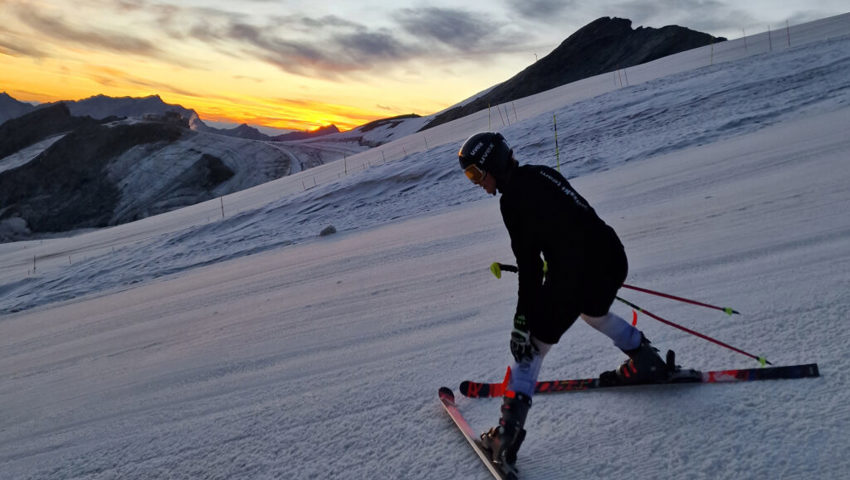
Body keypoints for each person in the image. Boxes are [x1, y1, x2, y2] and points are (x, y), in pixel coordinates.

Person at [457, 132, 671, 470]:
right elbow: (571, 220)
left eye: (475, 173)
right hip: (612, 257)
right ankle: (646, 360)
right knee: (592, 310)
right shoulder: (542, 172)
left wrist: (521, 322)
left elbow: (529, 270)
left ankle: (506, 433)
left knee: (530, 347)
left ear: (492, 165)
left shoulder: (511, 199)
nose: (475, 182)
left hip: (577, 273)